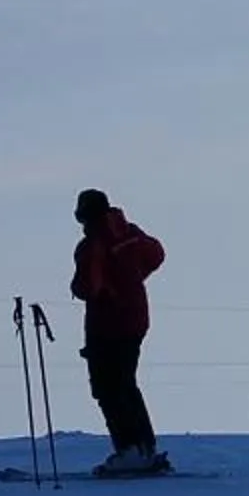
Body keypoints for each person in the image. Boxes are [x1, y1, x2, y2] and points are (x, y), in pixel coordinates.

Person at [69, 188, 169, 475]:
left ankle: (129, 451)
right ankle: (145, 448)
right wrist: (134, 278)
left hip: (107, 325)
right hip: (136, 319)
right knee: (127, 384)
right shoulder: (129, 233)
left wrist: (101, 289)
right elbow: (157, 253)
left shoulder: (93, 246)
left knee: (107, 388)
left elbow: (87, 287)